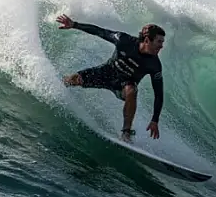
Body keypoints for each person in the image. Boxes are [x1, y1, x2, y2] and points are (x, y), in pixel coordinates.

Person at [57, 14, 165, 142]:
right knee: (74, 79)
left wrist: (155, 120)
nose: (161, 46)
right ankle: (53, 85)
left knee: (132, 90)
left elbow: (159, 94)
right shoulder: (124, 40)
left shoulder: (155, 65)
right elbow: (100, 32)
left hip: (124, 85)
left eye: (162, 42)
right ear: (147, 40)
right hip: (106, 72)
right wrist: (74, 25)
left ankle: (126, 133)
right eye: (159, 42)